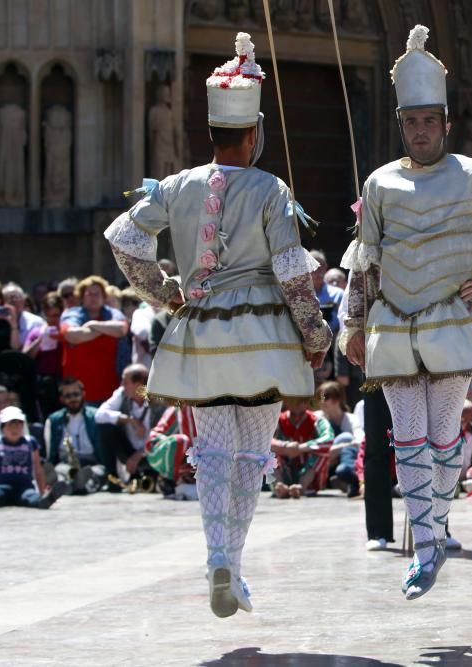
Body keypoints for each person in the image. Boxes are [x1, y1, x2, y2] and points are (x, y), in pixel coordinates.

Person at [103, 32, 331, 617]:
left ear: (212, 133)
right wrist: (315, 335)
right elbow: (290, 273)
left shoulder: (176, 185)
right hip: (261, 337)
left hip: (199, 333)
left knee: (213, 451)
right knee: (252, 454)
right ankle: (235, 558)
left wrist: (165, 293)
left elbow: (124, 239)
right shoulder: (271, 188)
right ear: (252, 134)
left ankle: (217, 559)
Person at [340, 25, 472, 600]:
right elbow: (365, 259)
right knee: (408, 436)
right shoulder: (379, 183)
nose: (421, 131)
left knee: (444, 437)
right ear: (400, 124)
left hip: (454, 320)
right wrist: (352, 325)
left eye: (430, 121)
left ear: (447, 123)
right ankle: (426, 549)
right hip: (394, 321)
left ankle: (438, 521)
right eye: (411, 122)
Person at [59, 276, 129, 403]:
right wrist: (105, 329)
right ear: (82, 297)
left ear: (104, 296)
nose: (93, 297)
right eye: (89, 294)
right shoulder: (71, 314)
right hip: (77, 393)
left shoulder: (113, 314)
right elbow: (73, 336)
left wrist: (93, 324)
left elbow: (121, 330)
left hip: (110, 391)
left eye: (97, 294)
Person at [95, 363, 163, 492]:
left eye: (125, 382)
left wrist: (140, 454)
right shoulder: (121, 394)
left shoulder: (161, 400)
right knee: (107, 428)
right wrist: (130, 420)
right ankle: (112, 480)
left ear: (138, 385)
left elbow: (166, 434)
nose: (122, 385)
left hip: (152, 452)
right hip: (128, 453)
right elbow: (100, 415)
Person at [43, 377, 104, 495]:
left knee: (96, 472)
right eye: (68, 396)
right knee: (59, 471)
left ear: (83, 394)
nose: (73, 399)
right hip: (66, 464)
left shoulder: (96, 416)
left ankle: (82, 485)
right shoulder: (54, 420)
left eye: (76, 394)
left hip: (92, 463)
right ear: (61, 399)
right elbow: (50, 452)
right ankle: (71, 485)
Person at [0, 406, 68, 508]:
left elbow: (38, 469)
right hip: (2, 486)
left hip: (23, 487)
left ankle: (46, 500)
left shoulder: (30, 442)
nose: (15, 428)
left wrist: (42, 492)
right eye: (11, 424)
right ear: (3, 427)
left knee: (31, 497)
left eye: (18, 424)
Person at [270, 398, 335, 498]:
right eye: (294, 399)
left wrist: (301, 448)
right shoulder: (278, 420)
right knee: (268, 453)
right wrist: (284, 447)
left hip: (309, 475)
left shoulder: (317, 420)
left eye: (302, 400)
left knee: (322, 452)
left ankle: (301, 487)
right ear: (287, 402)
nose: (298, 404)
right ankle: (279, 486)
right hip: (284, 470)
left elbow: (329, 439)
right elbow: (263, 440)